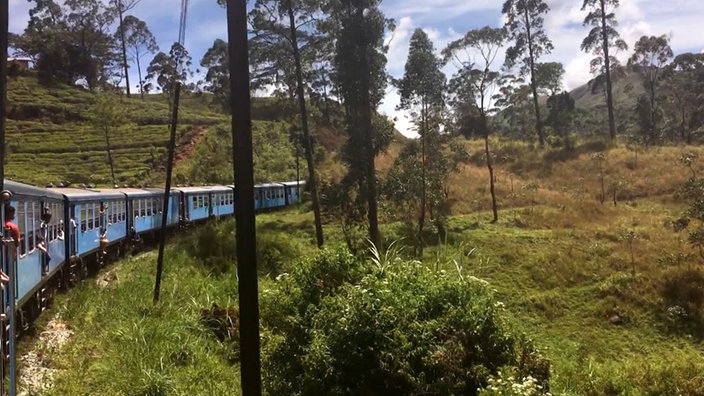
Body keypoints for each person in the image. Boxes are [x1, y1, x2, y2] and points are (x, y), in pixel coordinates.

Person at [2, 205, 20, 287]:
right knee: (9, 277)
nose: (14, 215)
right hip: (9, 256)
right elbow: (17, 242)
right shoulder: (13, 227)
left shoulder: (2, 224)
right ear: (9, 214)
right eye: (13, 213)